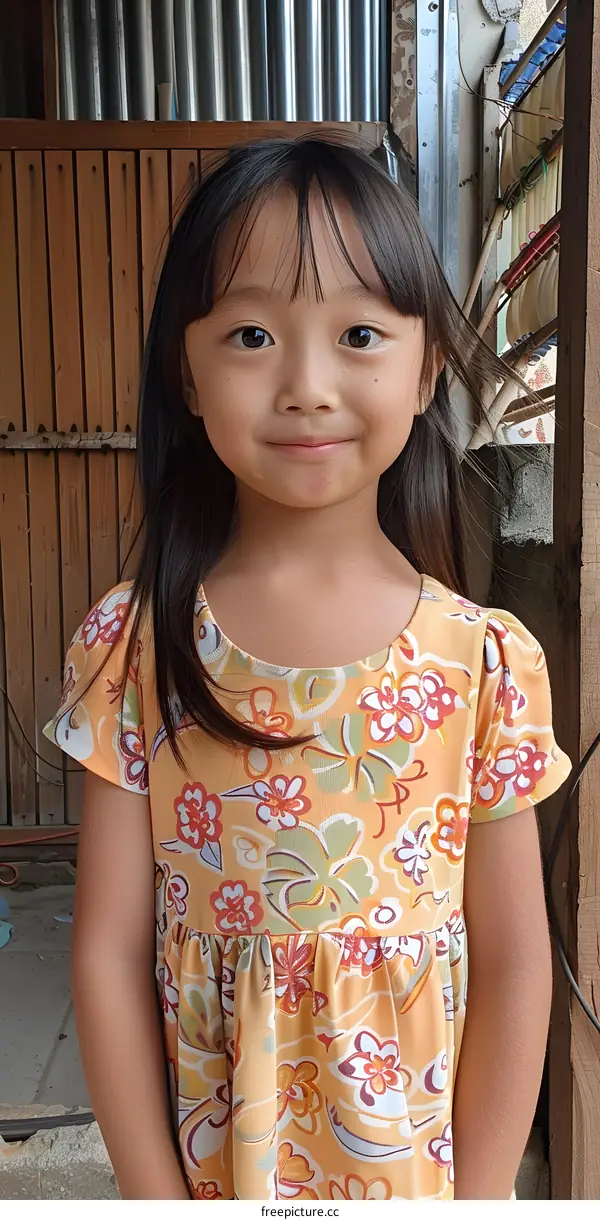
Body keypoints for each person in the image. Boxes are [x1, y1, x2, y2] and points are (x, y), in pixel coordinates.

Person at [45, 136, 570, 1202]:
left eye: (360, 333)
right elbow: (103, 951)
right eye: (250, 333)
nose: (307, 385)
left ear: (425, 370)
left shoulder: (485, 661)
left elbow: (518, 963)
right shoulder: (132, 647)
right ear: (186, 374)